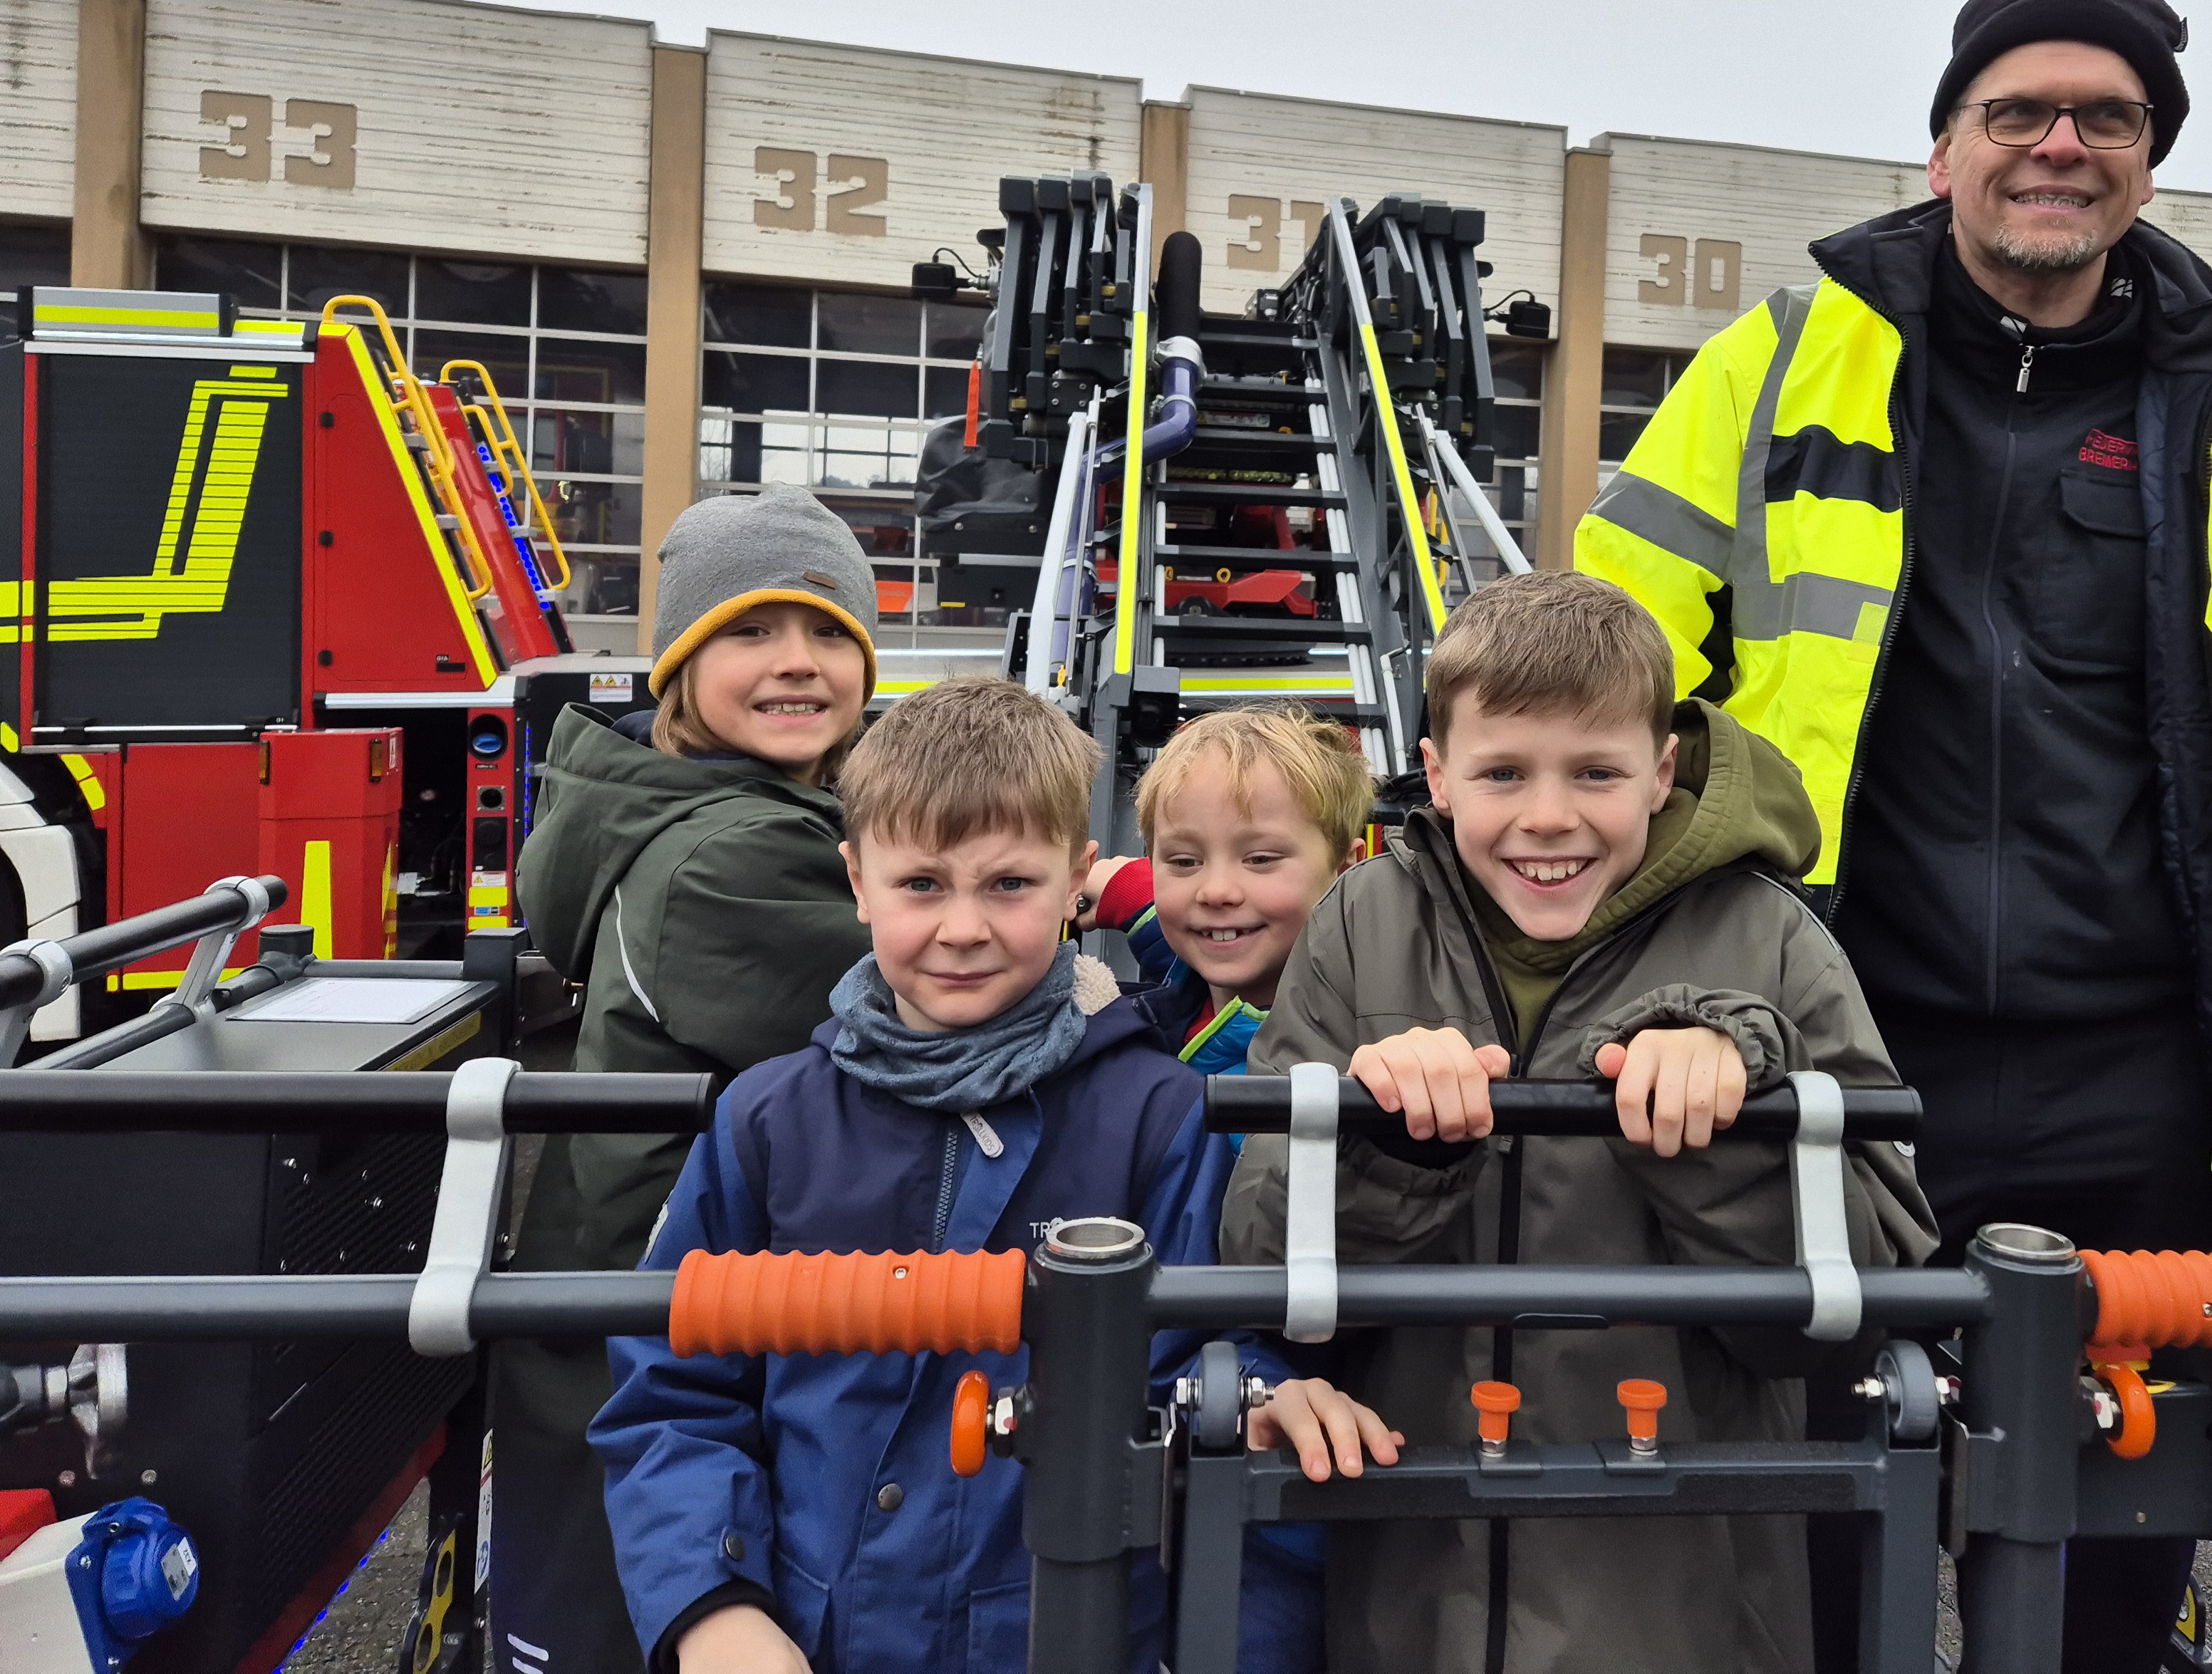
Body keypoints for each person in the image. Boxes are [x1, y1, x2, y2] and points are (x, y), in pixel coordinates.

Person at [1574, 0, 2212, 1670]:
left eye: (2104, 117)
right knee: (1809, 1548)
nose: (2058, 143)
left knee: (2102, 1566)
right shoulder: (1779, 367)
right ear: (1942, 149)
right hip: (1833, 1063)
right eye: (2017, 110)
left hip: (2142, 1091)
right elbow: (1596, 678)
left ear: (2148, 163)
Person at [591, 678, 1387, 1674]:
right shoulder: (765, 1121)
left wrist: (1261, 1394)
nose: (963, 927)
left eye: (1009, 884)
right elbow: (670, 1391)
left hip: (1073, 1639)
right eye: (921, 885)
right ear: (857, 880)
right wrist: (713, 1607)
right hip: (803, 1638)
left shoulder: (1159, 1115)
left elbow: (1208, 1364)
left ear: (1077, 880)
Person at [1221, 571, 1936, 1674]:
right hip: (1410, 1600)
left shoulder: (1776, 943)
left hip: (1689, 1616)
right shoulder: (1360, 925)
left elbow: (1864, 1304)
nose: (1548, 816)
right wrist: (1389, 1146)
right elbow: (1263, 1264)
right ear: (1439, 774)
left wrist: (1729, 1128)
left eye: (1595, 773)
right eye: (1503, 772)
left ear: (1661, 772)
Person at [489, 485, 884, 1674]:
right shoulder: (741, 855)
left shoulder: (698, 811)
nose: (798, 661)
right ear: (680, 666)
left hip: (630, 1324)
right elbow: (958, 1010)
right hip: (671, 1351)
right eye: (750, 631)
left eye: (830, 631)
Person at [1094, 705, 1376, 1073]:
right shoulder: (1192, 976)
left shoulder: (1337, 1066)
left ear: (1345, 872)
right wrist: (1125, 889)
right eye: (1185, 862)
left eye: (1260, 859)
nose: (1215, 892)